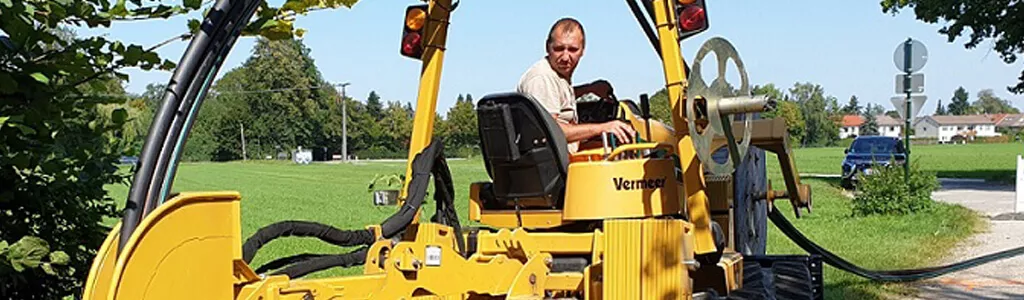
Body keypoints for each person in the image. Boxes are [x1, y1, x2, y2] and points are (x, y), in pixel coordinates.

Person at [517, 17, 635, 153]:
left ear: (583, 50)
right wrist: (603, 127)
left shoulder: (556, 76)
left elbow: (558, 96)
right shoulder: (542, 78)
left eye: (573, 50)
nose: (565, 57)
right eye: (559, 49)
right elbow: (549, 131)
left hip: (562, 159)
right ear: (547, 47)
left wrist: (589, 89)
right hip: (553, 168)